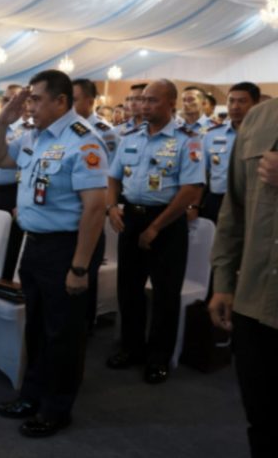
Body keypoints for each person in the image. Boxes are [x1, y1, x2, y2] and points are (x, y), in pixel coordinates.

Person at [0, 70, 107, 438]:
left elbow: (95, 208)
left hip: (65, 248)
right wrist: (2, 122)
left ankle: (57, 408)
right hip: (35, 245)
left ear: (60, 101)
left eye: (36, 99)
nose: (29, 106)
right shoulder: (33, 137)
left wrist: (79, 267)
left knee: (63, 334)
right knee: (37, 327)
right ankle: (32, 394)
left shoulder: (84, 142)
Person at [106, 79, 205, 384]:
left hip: (167, 222)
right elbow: (113, 176)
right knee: (129, 289)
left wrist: (156, 227)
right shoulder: (130, 136)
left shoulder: (187, 140)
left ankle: (157, 356)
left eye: (152, 101)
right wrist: (111, 207)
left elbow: (191, 189)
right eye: (142, 100)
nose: (144, 106)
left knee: (165, 294)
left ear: (170, 104)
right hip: (132, 219)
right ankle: (132, 347)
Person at [209, 95, 278, 458]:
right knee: (262, 419)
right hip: (255, 301)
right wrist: (223, 282)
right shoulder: (258, 120)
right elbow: (233, 211)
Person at [72, 79, 119, 330]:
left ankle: (85, 325)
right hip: (66, 216)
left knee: (84, 274)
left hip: (89, 212)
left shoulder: (104, 132)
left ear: (90, 101)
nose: (69, 104)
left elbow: (111, 176)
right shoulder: (64, 129)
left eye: (75, 99)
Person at [0, 84, 30, 281]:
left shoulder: (28, 130)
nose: (10, 103)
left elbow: (26, 169)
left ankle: (6, 282)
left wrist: (21, 202)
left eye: (15, 98)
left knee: (10, 244)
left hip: (13, 194)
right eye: (7, 99)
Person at [200, 82, 259, 223]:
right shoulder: (211, 135)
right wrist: (194, 205)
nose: (235, 106)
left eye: (242, 101)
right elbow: (201, 174)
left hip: (252, 202)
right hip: (217, 200)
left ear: (256, 104)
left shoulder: (264, 135)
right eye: (231, 101)